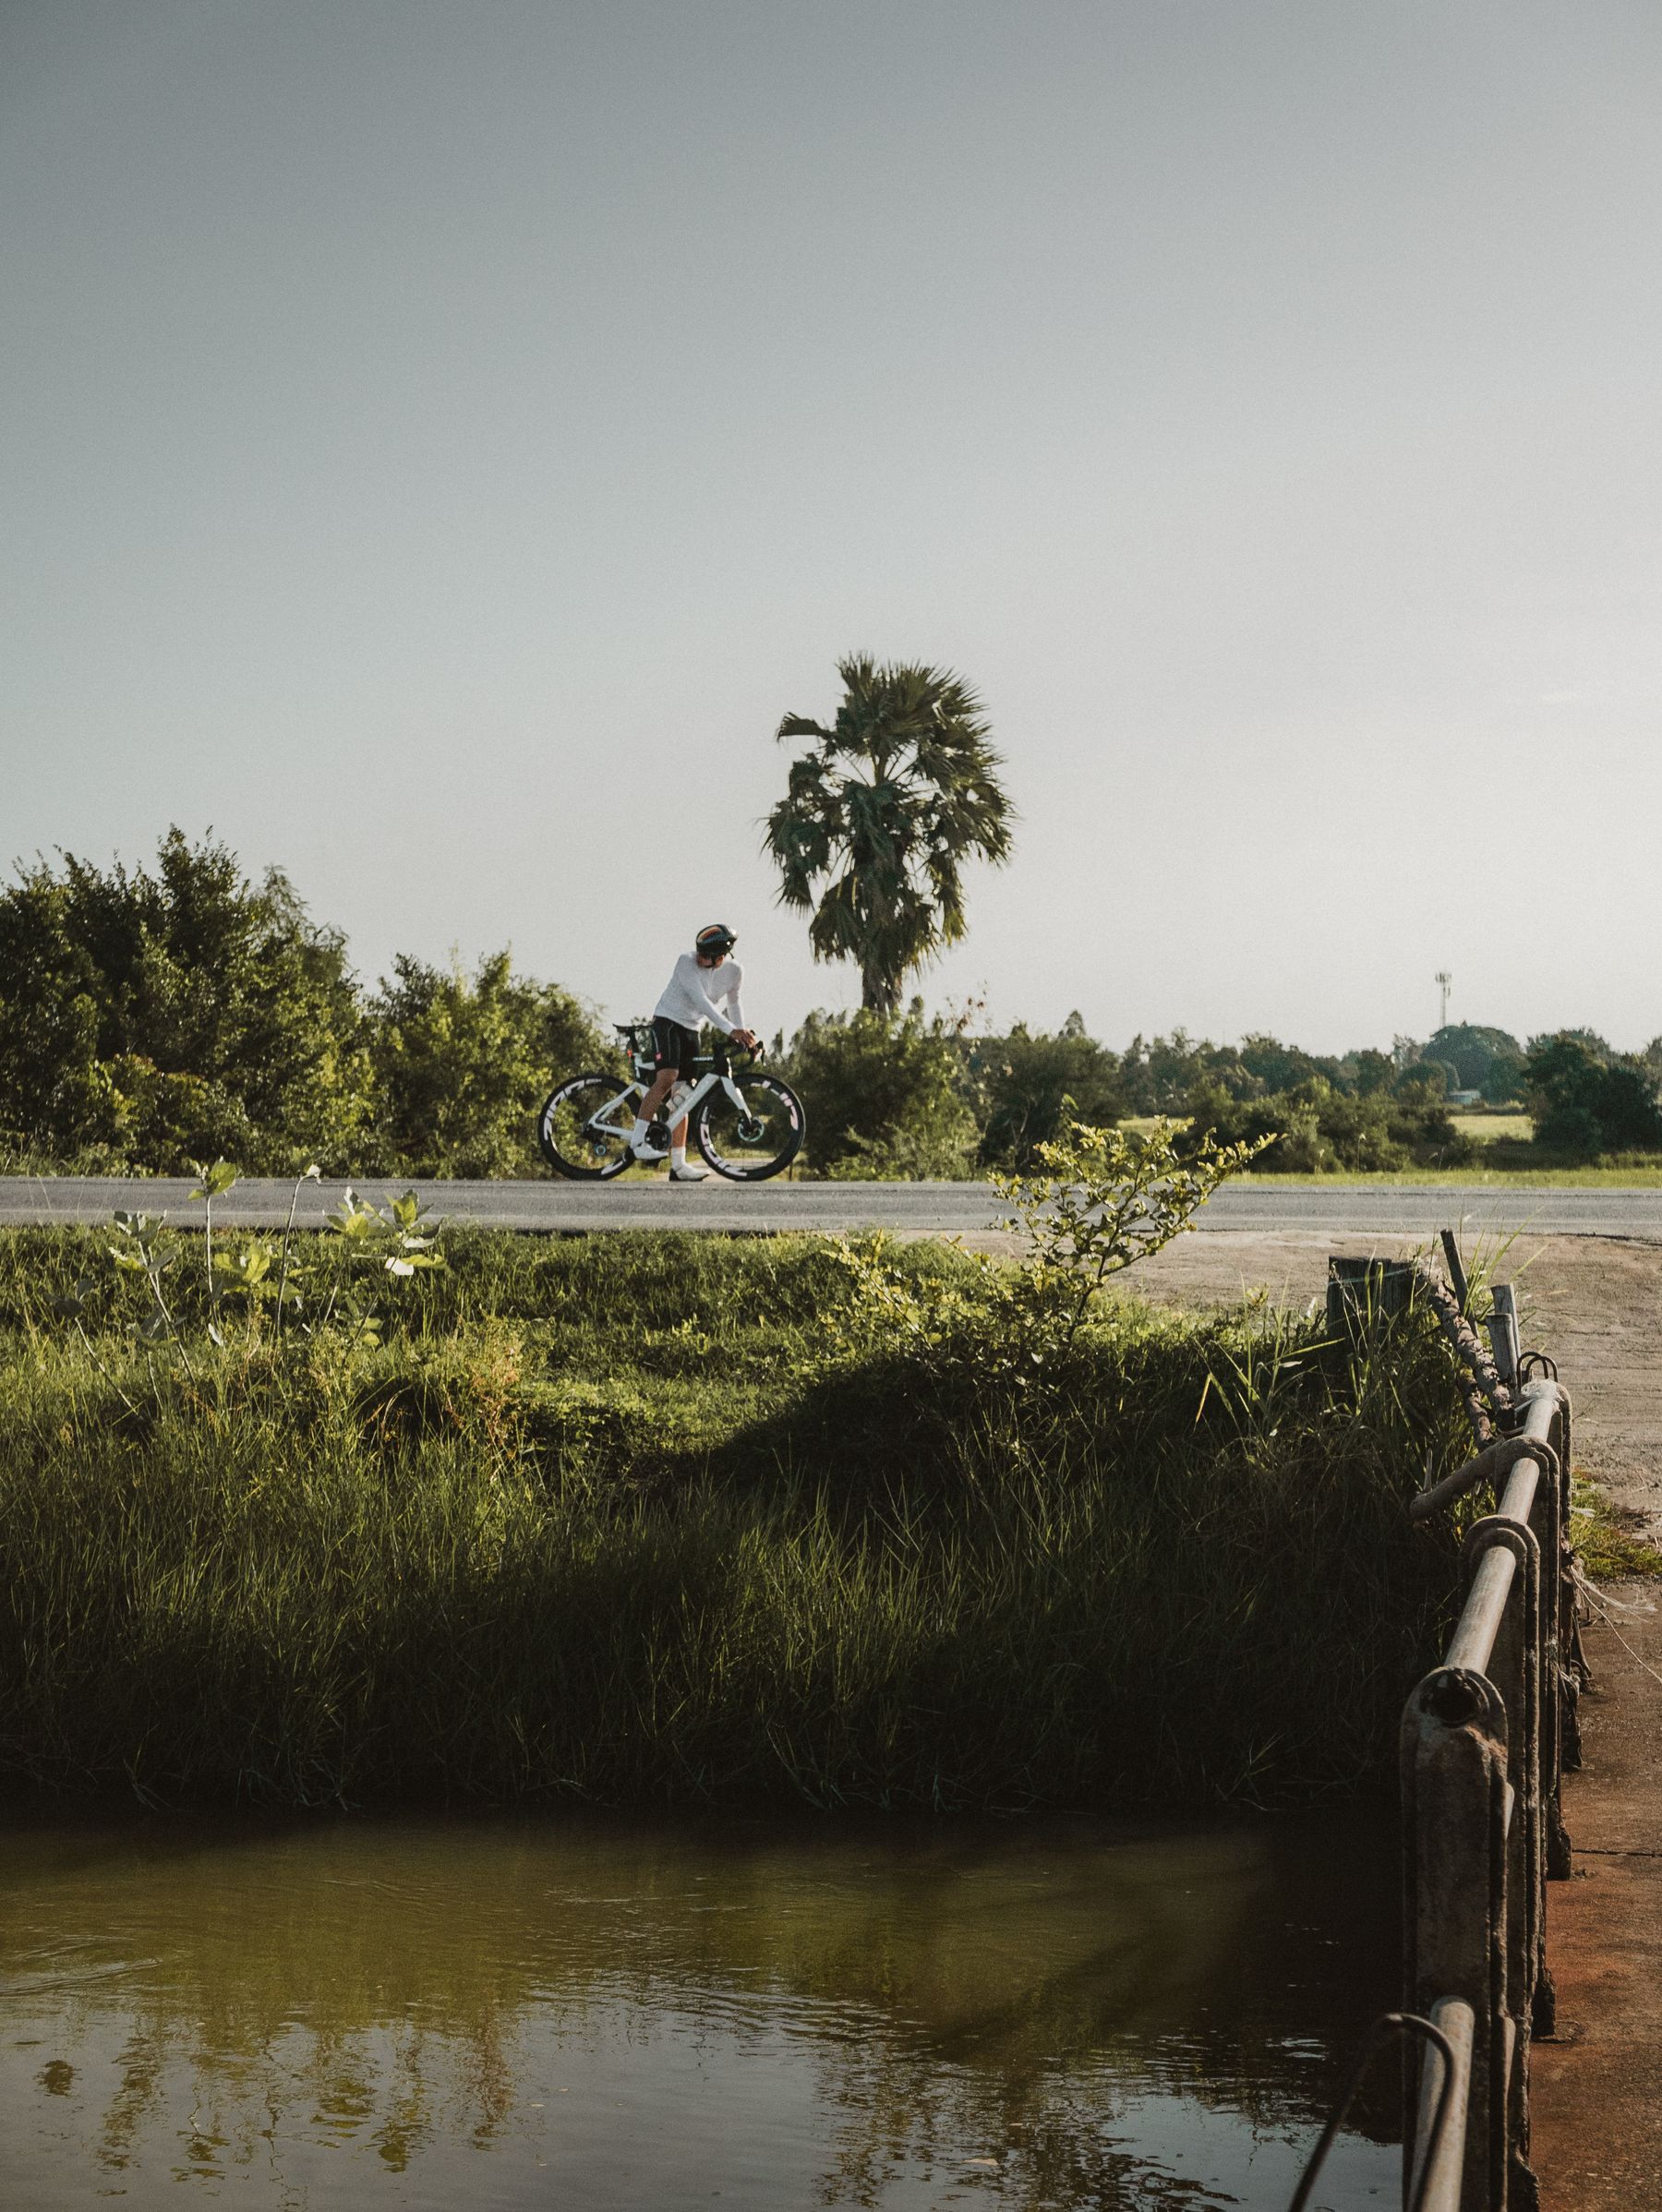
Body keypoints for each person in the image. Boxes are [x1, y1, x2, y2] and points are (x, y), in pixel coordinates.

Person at [631, 923, 759, 1180]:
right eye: (699, 952)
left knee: (684, 1096)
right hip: (667, 1022)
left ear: (720, 958)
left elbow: (734, 1002)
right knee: (667, 1078)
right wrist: (730, 1031)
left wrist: (742, 1033)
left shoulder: (734, 972)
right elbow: (702, 1001)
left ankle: (678, 1165)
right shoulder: (685, 962)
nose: (698, 957)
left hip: (692, 1030)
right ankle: (637, 1143)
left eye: (705, 956)